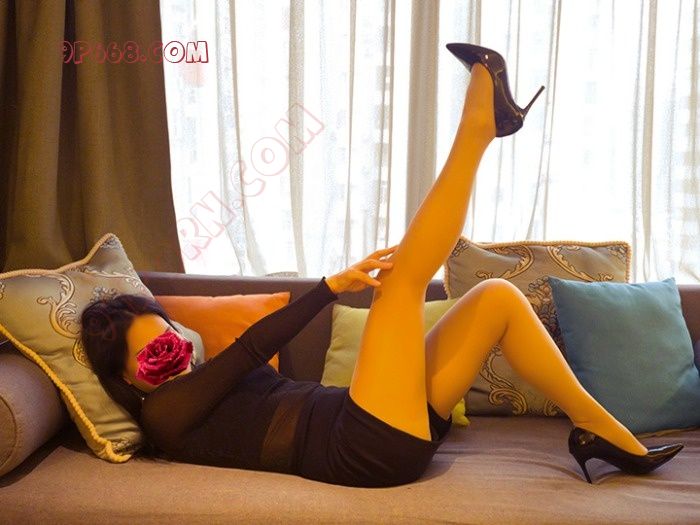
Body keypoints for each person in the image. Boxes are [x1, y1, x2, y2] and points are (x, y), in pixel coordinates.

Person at [80, 43, 683, 488]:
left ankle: (602, 431)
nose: (174, 356)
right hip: (361, 448)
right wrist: (328, 287)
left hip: (375, 419)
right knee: (400, 284)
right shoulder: (163, 416)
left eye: (169, 341)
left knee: (497, 297)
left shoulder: (198, 383)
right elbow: (251, 347)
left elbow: (236, 364)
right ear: (127, 379)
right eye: (153, 357)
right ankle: (480, 128)